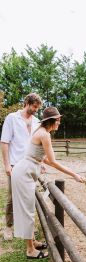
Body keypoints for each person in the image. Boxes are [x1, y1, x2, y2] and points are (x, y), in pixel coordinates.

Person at [11, 106, 84, 259]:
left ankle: (32, 242)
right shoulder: (45, 135)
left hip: (26, 171)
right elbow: (53, 162)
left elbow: (39, 156)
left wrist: (39, 163)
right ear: (51, 121)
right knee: (27, 211)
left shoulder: (42, 132)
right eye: (58, 120)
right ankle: (30, 250)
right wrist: (74, 174)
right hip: (24, 174)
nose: (59, 122)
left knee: (28, 209)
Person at [1, 93, 42, 240]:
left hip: (30, 164)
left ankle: (27, 228)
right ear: (27, 103)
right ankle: (8, 227)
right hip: (15, 164)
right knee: (12, 197)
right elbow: (5, 142)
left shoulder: (37, 121)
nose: (36, 110)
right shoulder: (12, 118)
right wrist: (6, 164)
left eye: (38, 108)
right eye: (34, 107)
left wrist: (40, 162)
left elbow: (37, 144)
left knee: (29, 196)